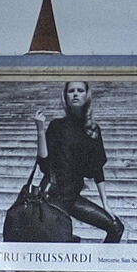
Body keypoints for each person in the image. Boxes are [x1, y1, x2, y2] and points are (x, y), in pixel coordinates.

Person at [35, 78, 125, 242]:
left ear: (86, 96)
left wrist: (106, 204)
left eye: (80, 90)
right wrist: (40, 131)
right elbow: (44, 164)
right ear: (66, 97)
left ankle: (103, 265)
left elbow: (97, 170)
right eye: (71, 91)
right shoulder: (57, 126)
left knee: (116, 227)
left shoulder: (92, 129)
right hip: (52, 195)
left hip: (73, 197)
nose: (75, 94)